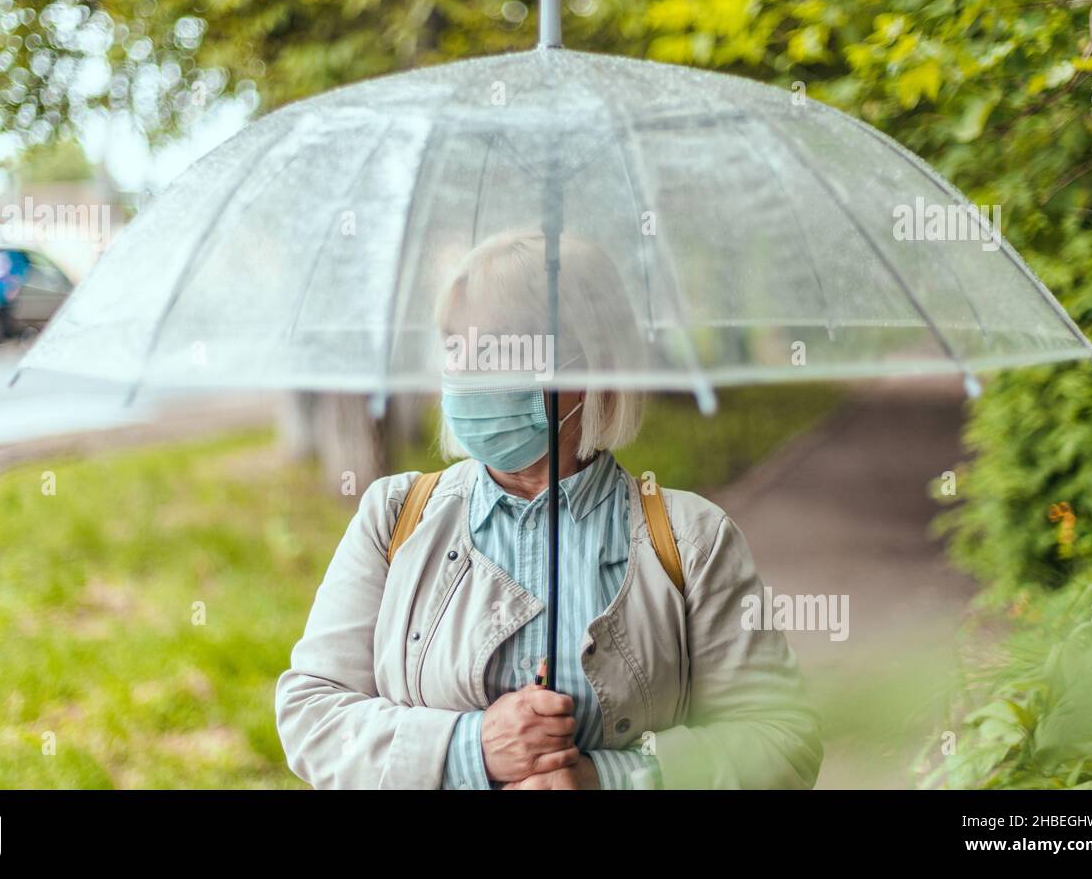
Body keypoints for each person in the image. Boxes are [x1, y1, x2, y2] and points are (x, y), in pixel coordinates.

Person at [275, 229, 823, 789]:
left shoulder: (693, 539)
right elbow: (312, 714)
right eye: (455, 347)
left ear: (593, 366)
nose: (464, 371)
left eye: (496, 349)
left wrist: (609, 779)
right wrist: (471, 749)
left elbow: (780, 741)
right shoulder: (393, 516)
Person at [0, 248, 29, 346]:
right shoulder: (9, 254)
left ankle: (1, 335)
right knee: (3, 313)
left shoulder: (5, 254)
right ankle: (3, 335)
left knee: (2, 313)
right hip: (2, 288)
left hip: (1, 287)